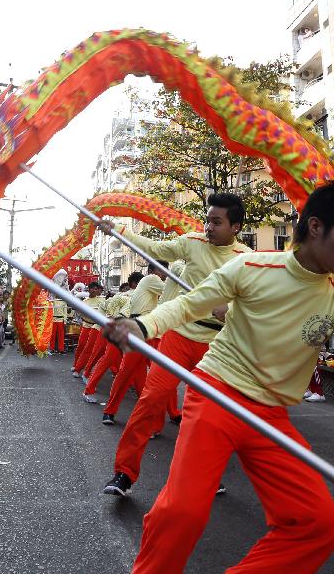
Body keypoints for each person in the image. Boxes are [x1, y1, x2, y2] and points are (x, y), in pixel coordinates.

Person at [103, 181, 334, 572]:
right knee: (183, 512)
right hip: (217, 394)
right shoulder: (252, 266)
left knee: (317, 525)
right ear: (315, 227)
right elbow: (189, 304)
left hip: (271, 415)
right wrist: (142, 325)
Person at [100, 193, 251, 496]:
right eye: (208, 220)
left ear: (235, 226)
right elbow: (155, 248)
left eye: (217, 222)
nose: (208, 227)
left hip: (218, 346)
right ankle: (124, 473)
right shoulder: (193, 242)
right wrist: (120, 231)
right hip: (179, 336)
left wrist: (231, 310)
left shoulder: (247, 260)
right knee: (149, 401)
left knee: (210, 416)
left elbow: (255, 304)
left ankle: (207, 474)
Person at [102, 263, 168, 425]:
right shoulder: (152, 279)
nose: (165, 274)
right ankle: (110, 411)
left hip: (150, 329)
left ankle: (168, 415)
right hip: (141, 330)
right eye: (162, 270)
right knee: (139, 373)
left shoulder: (149, 288)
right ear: (151, 271)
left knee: (150, 375)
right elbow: (172, 292)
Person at [82, 280, 133, 403]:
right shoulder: (127, 297)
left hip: (132, 332)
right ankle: (87, 381)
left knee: (129, 362)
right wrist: (111, 316)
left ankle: (138, 391)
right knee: (103, 357)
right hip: (113, 328)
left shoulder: (132, 295)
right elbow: (108, 305)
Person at [71, 281, 105, 376]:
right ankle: (76, 365)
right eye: (93, 288)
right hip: (86, 326)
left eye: (96, 289)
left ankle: (81, 369)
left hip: (96, 327)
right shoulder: (84, 302)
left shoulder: (102, 301)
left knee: (91, 349)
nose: (95, 290)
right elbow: (79, 315)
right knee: (81, 346)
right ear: (89, 289)